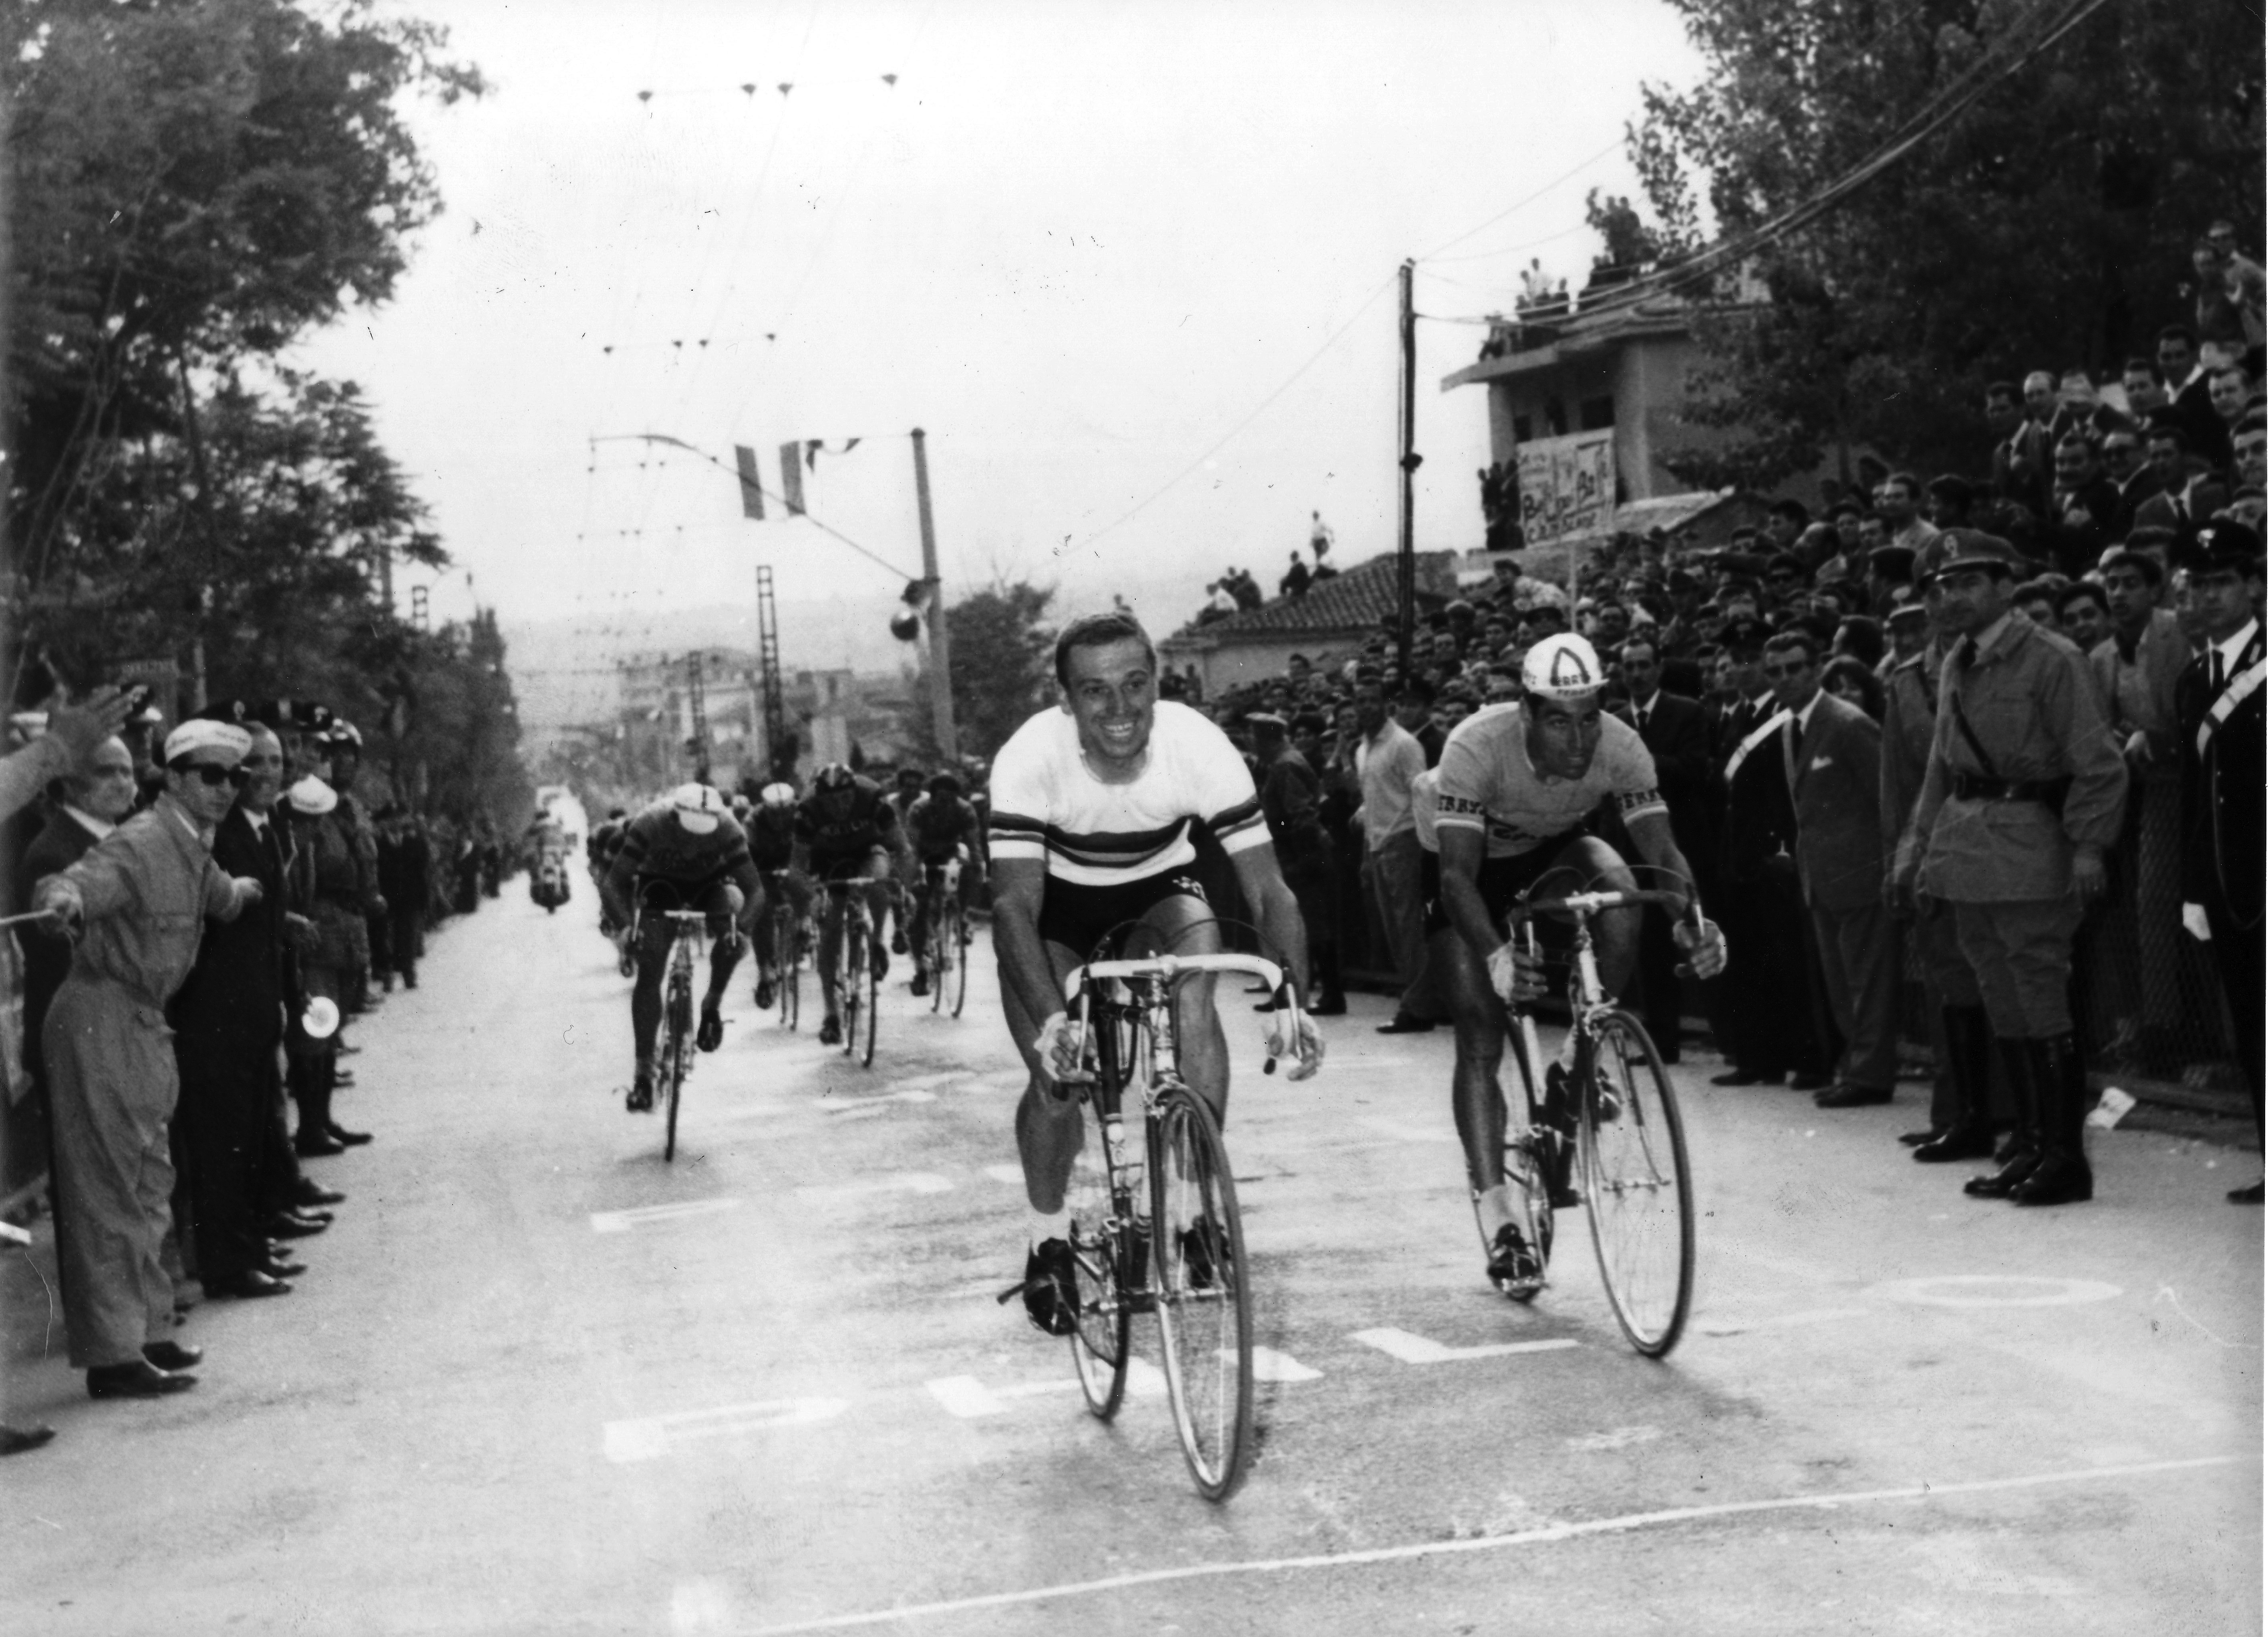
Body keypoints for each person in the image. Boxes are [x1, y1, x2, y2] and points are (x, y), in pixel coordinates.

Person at [986, 611, 1322, 1335]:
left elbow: (1269, 891)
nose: (1119, 709)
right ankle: (1046, 1238)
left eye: (1134, 685)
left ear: (1157, 684)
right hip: (1055, 905)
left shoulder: (1196, 744)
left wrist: (1287, 998)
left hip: (1159, 887)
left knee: (1195, 968)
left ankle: (1198, 1213)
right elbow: (1013, 905)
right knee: (1055, 1082)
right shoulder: (1028, 756)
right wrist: (1055, 1024)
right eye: (1095, 691)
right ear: (1065, 700)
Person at [1430, 633, 1725, 1293]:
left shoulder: (1621, 745)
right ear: (1525, 714)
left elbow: (1662, 852)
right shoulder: (1475, 746)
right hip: (1466, 865)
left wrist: (1694, 920)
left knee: (1620, 886)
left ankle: (1577, 1055)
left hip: (1553, 849)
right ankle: (1500, 1219)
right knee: (1480, 1029)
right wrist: (1497, 953)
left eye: (1588, 716)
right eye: (1558, 720)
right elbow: (1455, 880)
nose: (1577, 737)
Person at [1892, 531, 2127, 1208]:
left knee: (2038, 991)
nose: (1949, 596)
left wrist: (2087, 848)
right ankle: (2029, 1141)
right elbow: (1941, 766)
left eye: (1965, 581)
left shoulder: (2050, 659)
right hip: (1967, 848)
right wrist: (1915, 848)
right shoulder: (1955, 661)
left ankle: (2064, 1157)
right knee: (1999, 992)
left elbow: (2098, 764)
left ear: (2004, 585)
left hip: (2028, 846)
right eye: (1939, 585)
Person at [32, 719, 264, 1400]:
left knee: (148, 1181)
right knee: (108, 1192)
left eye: (233, 777)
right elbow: (75, 882)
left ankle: (148, 1330)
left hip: (140, 1025)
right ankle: (112, 1356)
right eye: (210, 775)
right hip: (99, 1019)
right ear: (176, 779)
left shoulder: (192, 844)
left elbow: (218, 894)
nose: (225, 790)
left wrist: (247, 892)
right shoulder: (140, 841)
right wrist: (61, 902)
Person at [171, 722, 304, 1301]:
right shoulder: (220, 838)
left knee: (247, 1138)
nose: (265, 774)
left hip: (251, 1011)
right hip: (217, 1016)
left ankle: (247, 1245)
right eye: (255, 765)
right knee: (222, 1144)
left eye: (276, 762)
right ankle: (227, 1262)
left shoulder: (262, 830)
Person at [1761, 630, 1902, 1110]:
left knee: (1868, 982)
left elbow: (1888, 798)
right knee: (1841, 983)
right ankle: (1857, 1068)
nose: (1785, 678)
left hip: (1861, 875)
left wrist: (1890, 865)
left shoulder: (1846, 723)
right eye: (1775, 671)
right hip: (1819, 879)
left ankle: (1870, 1073)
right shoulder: (1788, 727)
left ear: (1816, 666)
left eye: (1794, 667)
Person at [2172, 521, 2264, 1202]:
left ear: (2253, 586)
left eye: (2221, 582)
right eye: (2196, 584)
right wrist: (2193, 887)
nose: (2207, 596)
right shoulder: (2193, 677)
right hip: (2231, 886)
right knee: (2252, 1026)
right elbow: (2193, 797)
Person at [598, 784, 759, 1108]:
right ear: (674, 817)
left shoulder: (728, 827)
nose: (693, 843)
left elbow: (754, 890)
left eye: (703, 834)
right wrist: (628, 928)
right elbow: (614, 884)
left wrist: (741, 930)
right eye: (688, 832)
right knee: (651, 964)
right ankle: (644, 1073)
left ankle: (711, 1005)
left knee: (731, 930)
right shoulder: (650, 822)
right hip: (659, 886)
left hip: (709, 885)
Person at [1611, 635, 1715, 1063]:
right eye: (1628, 666)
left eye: (1642, 665)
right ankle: (1660, 1041)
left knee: (1689, 938)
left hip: (1675, 846)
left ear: (1658, 669)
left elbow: (1694, 769)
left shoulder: (1686, 712)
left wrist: (1639, 762)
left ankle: (1725, 1038)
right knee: (1647, 949)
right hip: (1626, 850)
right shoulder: (1612, 720)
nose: (1635, 673)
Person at [1353, 678, 1440, 1033]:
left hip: (1405, 842)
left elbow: (1423, 794)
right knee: (1394, 932)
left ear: (1386, 704)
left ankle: (1417, 1008)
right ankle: (1417, 999)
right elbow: (1371, 805)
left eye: (1372, 700)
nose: (1366, 707)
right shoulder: (1362, 748)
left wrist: (1426, 848)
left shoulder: (1404, 745)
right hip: (1378, 846)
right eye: (1360, 701)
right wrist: (1365, 856)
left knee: (1409, 930)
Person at [793, 763, 900, 1046]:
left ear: (855, 791)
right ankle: (830, 1013)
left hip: (866, 852)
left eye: (845, 799)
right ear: (820, 798)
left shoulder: (873, 796)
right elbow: (796, 867)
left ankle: (877, 941)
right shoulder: (807, 809)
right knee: (830, 930)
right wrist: (812, 895)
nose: (839, 806)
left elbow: (902, 847)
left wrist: (904, 886)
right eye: (831, 801)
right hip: (827, 860)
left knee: (878, 880)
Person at [1249, 713, 1346, 1015]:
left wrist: (1303, 863)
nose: (1250, 742)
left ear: (1265, 737)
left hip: (1302, 857)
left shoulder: (1285, 765)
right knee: (1306, 927)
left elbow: (1301, 816)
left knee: (1312, 928)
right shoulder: (1284, 763)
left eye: (1253, 736)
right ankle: (1298, 992)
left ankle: (1330, 994)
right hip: (1299, 855)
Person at [902, 770, 982, 998]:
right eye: (940, 800)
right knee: (920, 908)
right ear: (932, 797)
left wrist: (979, 867)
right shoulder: (919, 809)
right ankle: (920, 967)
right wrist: (915, 876)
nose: (945, 805)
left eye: (950, 800)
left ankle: (963, 915)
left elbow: (973, 843)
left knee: (969, 864)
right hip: (924, 853)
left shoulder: (965, 810)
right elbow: (911, 846)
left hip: (950, 851)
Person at [745, 781, 806, 1011]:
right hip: (764, 865)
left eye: (785, 813)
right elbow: (746, 854)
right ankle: (765, 972)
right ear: (764, 809)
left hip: (794, 862)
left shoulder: (803, 816)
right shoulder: (753, 821)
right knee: (762, 912)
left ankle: (802, 934)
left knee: (804, 899)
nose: (780, 819)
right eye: (774, 814)